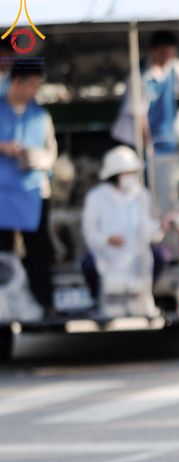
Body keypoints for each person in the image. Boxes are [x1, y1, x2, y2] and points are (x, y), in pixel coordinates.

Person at [111, 30, 179, 218]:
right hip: (136, 140)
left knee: (165, 187)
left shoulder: (173, 66)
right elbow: (140, 117)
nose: (167, 58)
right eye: (163, 54)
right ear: (153, 51)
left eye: (171, 54)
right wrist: (148, 148)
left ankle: (164, 219)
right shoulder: (141, 78)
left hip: (163, 140)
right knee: (142, 190)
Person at [0, 59, 57, 316]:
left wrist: (36, 159)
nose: (34, 91)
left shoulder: (41, 116)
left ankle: (44, 303)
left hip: (34, 191)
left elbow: (51, 153)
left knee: (38, 251)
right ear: (16, 82)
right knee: (3, 253)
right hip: (3, 191)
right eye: (31, 85)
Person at [80, 146, 164, 316]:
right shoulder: (96, 197)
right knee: (87, 264)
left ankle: (144, 297)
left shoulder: (142, 196)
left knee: (161, 256)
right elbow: (89, 232)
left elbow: (147, 228)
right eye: (126, 172)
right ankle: (98, 301)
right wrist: (106, 240)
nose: (131, 177)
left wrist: (161, 227)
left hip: (136, 255)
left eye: (133, 172)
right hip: (107, 255)